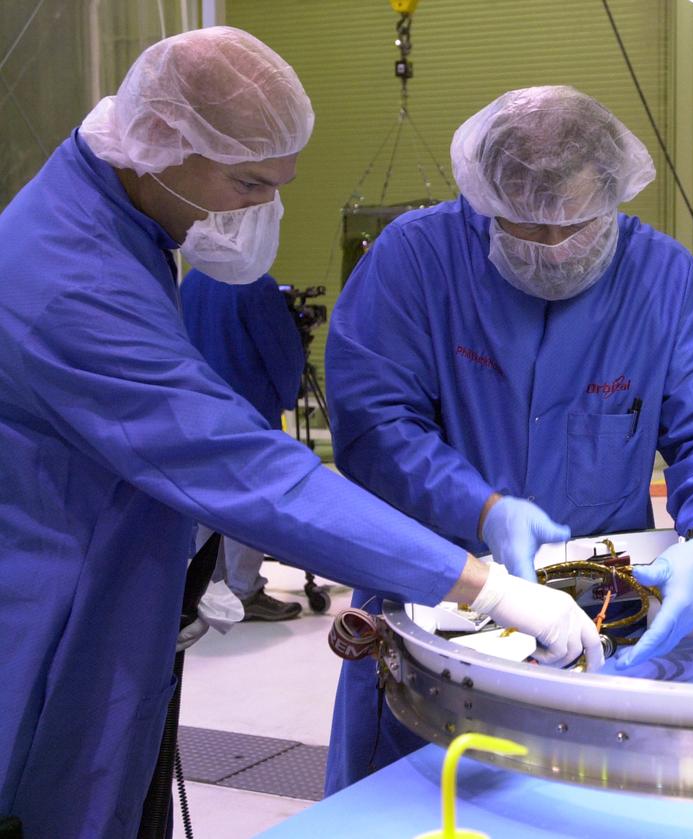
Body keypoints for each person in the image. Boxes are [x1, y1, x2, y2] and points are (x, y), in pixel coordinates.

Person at [0, 31, 601, 837]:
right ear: (157, 143)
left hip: (111, 588)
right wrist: (482, 584)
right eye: (249, 182)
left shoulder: (120, 210)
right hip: (52, 628)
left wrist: (170, 558)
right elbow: (250, 468)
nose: (262, 209)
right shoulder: (69, 275)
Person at [322, 85, 693, 793]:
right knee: (411, 806)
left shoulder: (661, 278)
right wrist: (482, 509)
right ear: (485, 199)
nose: (554, 247)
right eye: (527, 227)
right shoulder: (417, 261)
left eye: (577, 223)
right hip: (435, 606)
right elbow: (375, 425)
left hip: (598, 616)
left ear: (614, 194)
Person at [182, 268, 308, 621]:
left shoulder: (190, 282)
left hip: (201, 411)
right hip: (248, 411)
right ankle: (244, 589)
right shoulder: (255, 285)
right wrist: (286, 395)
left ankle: (210, 586)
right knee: (253, 503)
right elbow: (282, 353)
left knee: (209, 503)